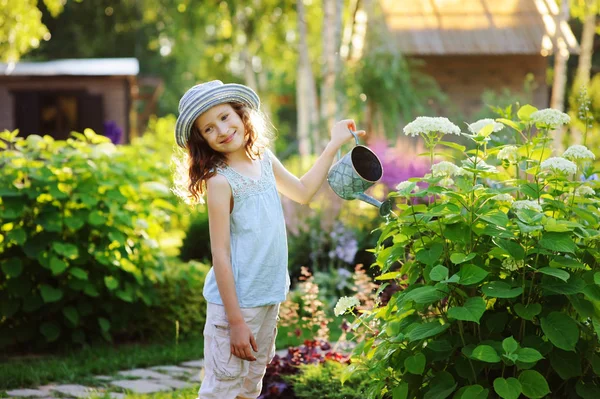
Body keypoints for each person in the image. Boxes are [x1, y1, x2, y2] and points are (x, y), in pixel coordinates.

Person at [173, 80, 365, 399]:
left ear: (240, 114)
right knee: (222, 389)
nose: (220, 130)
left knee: (250, 387)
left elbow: (302, 192)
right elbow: (219, 256)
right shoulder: (220, 182)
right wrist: (235, 322)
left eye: (224, 117)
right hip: (235, 305)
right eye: (208, 128)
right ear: (201, 140)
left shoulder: (263, 159)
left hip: (267, 298)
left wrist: (333, 145)